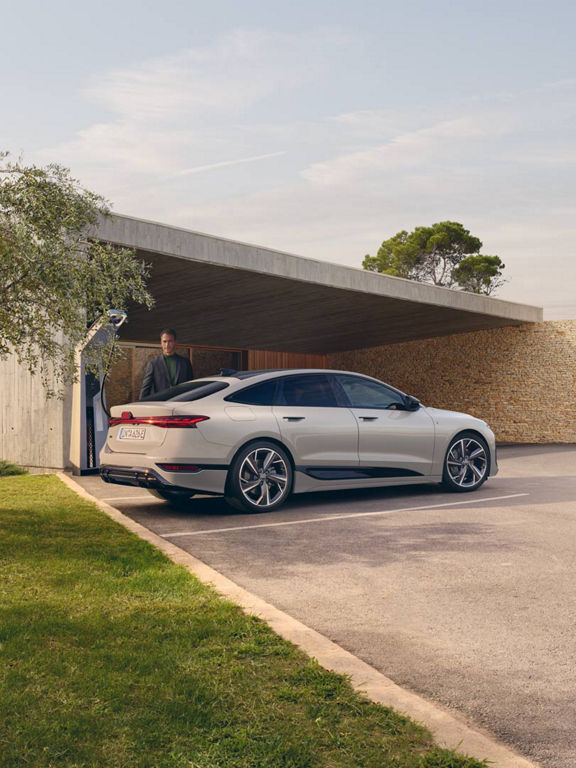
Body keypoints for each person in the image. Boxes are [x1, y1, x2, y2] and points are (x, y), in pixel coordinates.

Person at [139, 328, 194, 399]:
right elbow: (145, 389)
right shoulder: (153, 364)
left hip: (181, 403)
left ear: (175, 342)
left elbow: (191, 387)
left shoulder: (185, 362)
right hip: (161, 405)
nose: (167, 345)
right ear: (161, 343)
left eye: (170, 341)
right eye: (164, 342)